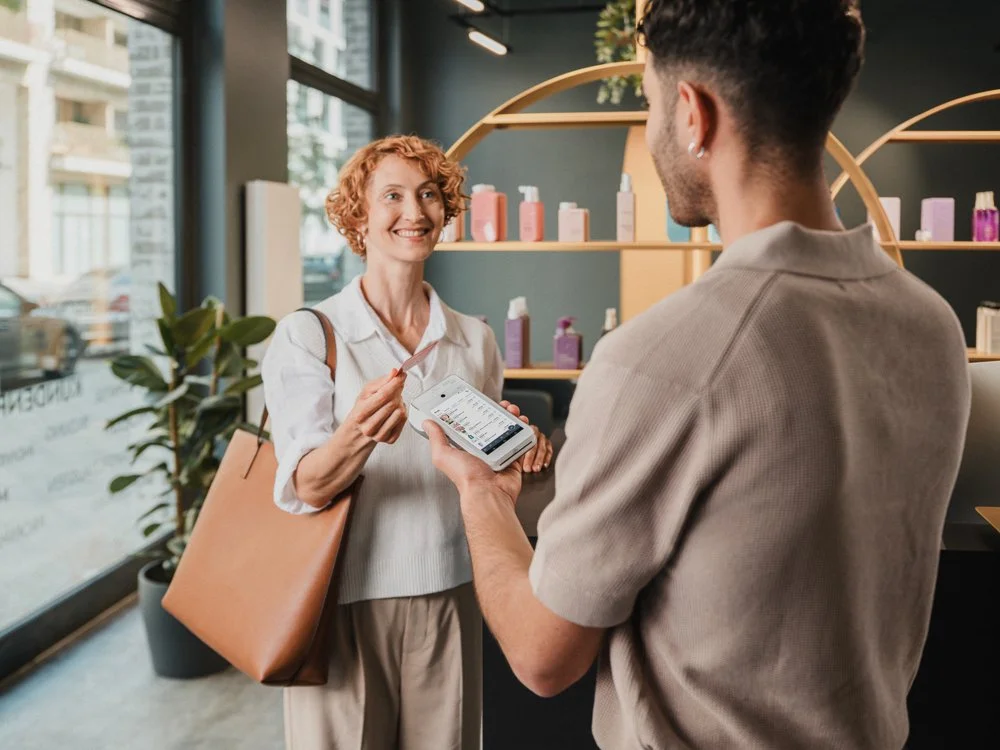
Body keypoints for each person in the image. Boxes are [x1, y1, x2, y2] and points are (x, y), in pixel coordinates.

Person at [424, 2, 971, 749]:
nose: (651, 134)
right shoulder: (931, 325)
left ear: (692, 114)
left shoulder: (664, 359)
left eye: (649, 103)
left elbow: (544, 655)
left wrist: (483, 496)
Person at [261, 134, 553, 750]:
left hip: (451, 588)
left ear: (445, 213)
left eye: (428, 195)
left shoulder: (474, 339)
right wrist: (358, 435)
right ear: (358, 216)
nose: (414, 212)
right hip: (341, 600)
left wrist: (516, 445)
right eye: (391, 195)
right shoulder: (309, 336)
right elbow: (306, 485)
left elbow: (481, 478)